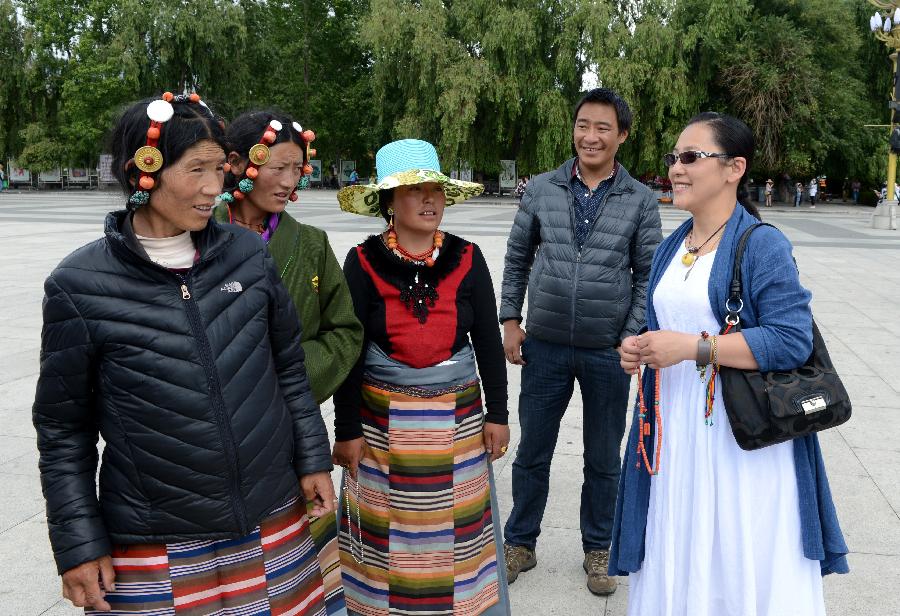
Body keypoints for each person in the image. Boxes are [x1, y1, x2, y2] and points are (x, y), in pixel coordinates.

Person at [32, 93, 338, 615]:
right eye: (196, 169)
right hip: (155, 538)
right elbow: (64, 430)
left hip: (271, 515)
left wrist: (312, 457)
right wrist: (79, 545)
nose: (213, 187)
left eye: (219, 168)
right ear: (142, 172)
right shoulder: (78, 285)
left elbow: (287, 365)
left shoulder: (247, 255)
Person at [610, 112, 848, 616]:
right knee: (680, 540)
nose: (676, 168)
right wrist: (641, 348)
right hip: (675, 435)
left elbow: (790, 340)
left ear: (734, 168)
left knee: (737, 549)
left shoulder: (761, 244)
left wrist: (695, 347)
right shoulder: (673, 246)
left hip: (741, 443)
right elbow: (665, 325)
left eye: (692, 157)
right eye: (674, 157)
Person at [333, 139, 512, 615]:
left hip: (459, 423)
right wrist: (346, 430)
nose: (430, 199)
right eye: (414, 191)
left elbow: (488, 345)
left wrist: (499, 414)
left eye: (435, 189)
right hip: (379, 427)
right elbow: (349, 352)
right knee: (385, 533)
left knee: (457, 534)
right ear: (389, 202)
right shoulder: (362, 260)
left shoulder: (468, 258)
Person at [499, 87, 662, 596]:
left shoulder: (640, 199)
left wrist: (631, 335)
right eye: (583, 125)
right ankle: (520, 541)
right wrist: (509, 317)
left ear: (622, 136)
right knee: (533, 452)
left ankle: (599, 550)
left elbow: (647, 273)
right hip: (544, 343)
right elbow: (517, 256)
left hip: (606, 350)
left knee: (602, 458)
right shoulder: (543, 188)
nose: (590, 136)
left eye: (603, 128)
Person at [214, 110, 364, 614]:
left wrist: (288, 374)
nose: (288, 180)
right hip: (213, 432)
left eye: (297, 169)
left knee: (292, 571)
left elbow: (344, 330)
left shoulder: (311, 245)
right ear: (238, 163)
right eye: (277, 166)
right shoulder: (198, 233)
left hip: (287, 427)